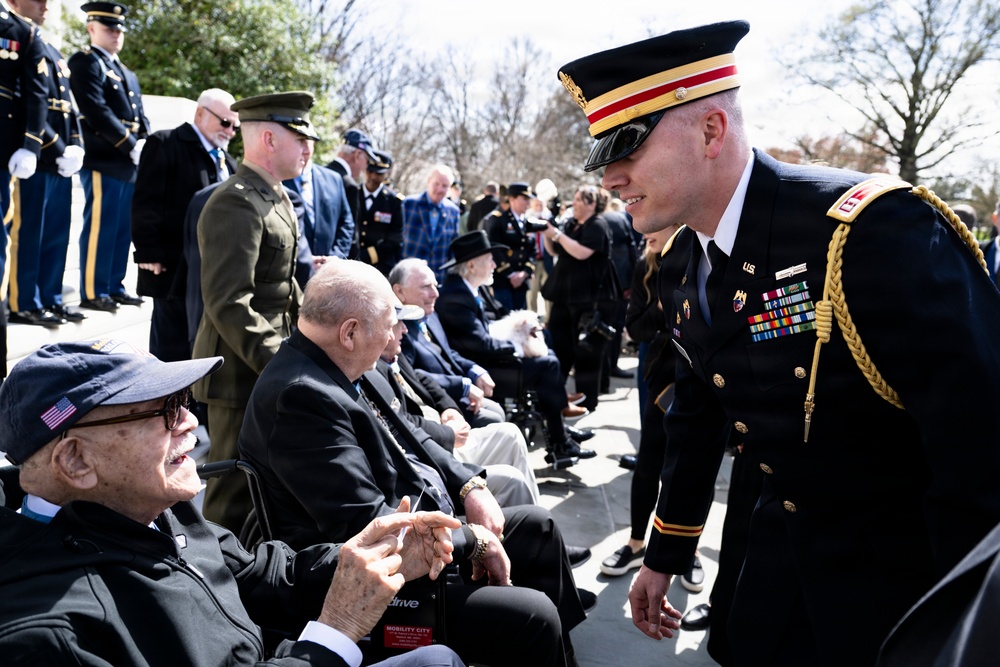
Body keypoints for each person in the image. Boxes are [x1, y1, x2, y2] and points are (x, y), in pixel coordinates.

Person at [558, 20, 1000, 666]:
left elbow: (980, 453)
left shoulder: (872, 230)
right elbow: (698, 416)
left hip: (899, 593)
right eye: (605, 160)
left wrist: (964, 632)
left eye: (628, 150)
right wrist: (665, 552)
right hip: (773, 572)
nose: (612, 178)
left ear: (712, 131)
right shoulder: (681, 265)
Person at [0, 339, 465, 667]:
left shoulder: (154, 508)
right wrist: (335, 631)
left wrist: (368, 558)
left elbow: (262, 576)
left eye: (184, 400)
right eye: (164, 410)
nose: (189, 422)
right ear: (77, 460)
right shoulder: (51, 635)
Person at [238, 259, 591, 667]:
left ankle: (560, 654)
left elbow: (413, 435)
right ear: (350, 332)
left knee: (538, 527)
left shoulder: (339, 363)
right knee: (533, 617)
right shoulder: (301, 397)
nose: (395, 336)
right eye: (389, 325)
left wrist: (470, 486)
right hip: (373, 581)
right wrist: (472, 540)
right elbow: (369, 526)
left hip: (421, 528)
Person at [191, 91, 319, 535]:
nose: (308, 150)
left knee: (266, 487)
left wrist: (313, 337)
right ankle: (216, 571)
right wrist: (283, 363)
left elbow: (283, 286)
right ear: (268, 138)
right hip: (238, 374)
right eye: (300, 139)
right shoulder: (237, 201)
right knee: (232, 492)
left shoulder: (275, 196)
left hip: (268, 365)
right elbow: (229, 301)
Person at [435, 231, 595, 470]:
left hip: (488, 358)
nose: (494, 265)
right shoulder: (455, 295)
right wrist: (518, 346)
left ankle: (560, 425)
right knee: (548, 364)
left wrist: (524, 326)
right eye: (489, 260)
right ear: (471, 265)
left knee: (545, 342)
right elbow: (479, 343)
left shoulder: (472, 286)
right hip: (479, 367)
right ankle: (559, 440)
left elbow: (498, 316)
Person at [376, 304, 540, 506]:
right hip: (432, 451)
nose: (405, 329)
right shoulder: (373, 369)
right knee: (512, 480)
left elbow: (421, 378)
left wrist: (449, 408)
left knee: (511, 433)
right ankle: (531, 520)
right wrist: (449, 433)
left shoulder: (393, 354)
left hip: (442, 434)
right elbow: (401, 424)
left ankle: (536, 517)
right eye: (397, 323)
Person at [131, 88, 238, 361]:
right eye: (225, 122)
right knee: (170, 350)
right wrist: (148, 252)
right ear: (200, 113)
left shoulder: (229, 161)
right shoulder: (165, 143)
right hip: (173, 267)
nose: (230, 131)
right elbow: (146, 201)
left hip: (210, 271)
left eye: (235, 127)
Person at [6, 0, 84, 328]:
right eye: (37, 0)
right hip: (36, 155)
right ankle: (24, 302)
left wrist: (77, 145)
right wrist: (59, 147)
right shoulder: (18, 40)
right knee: (29, 234)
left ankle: (50, 297)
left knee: (55, 234)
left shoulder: (51, 47)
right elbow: (28, 103)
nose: (45, 5)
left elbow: (68, 105)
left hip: (59, 161)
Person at [68, 1, 149, 313]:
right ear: (91, 28)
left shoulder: (125, 72)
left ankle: (114, 285)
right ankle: (94, 289)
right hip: (104, 158)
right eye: (108, 28)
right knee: (101, 227)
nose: (116, 34)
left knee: (122, 229)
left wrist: (146, 144)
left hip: (128, 162)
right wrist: (130, 144)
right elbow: (96, 111)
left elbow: (140, 115)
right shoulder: (86, 62)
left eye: (119, 29)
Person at [389, 257, 505, 428]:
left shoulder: (429, 315)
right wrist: (462, 386)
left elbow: (448, 353)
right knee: (494, 419)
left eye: (435, 286)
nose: (435, 294)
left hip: (456, 394)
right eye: (425, 287)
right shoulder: (398, 331)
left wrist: (474, 370)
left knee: (498, 411)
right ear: (399, 292)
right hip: (436, 404)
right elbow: (411, 376)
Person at [540, 185, 621, 412]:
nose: (573, 203)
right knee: (559, 347)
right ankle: (558, 397)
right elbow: (555, 250)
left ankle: (586, 401)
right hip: (564, 296)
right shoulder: (571, 224)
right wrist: (547, 234)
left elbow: (581, 252)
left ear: (591, 204)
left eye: (578, 200)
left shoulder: (598, 225)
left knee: (587, 352)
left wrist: (556, 234)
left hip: (590, 299)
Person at [283, 144, 356, 289]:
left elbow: (346, 223)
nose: (304, 148)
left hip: (328, 278)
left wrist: (335, 258)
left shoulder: (333, 179)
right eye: (299, 140)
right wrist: (303, 259)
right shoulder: (278, 178)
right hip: (290, 276)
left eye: (308, 141)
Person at [484, 181, 540, 313]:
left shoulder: (527, 222)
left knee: (521, 318)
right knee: (506, 318)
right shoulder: (498, 220)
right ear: (512, 199)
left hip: (522, 281)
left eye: (529, 199)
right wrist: (511, 274)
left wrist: (525, 273)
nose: (528, 203)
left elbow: (533, 251)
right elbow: (495, 249)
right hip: (503, 280)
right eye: (524, 199)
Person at [402, 164, 462, 284]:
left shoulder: (453, 211)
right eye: (436, 184)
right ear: (428, 182)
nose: (440, 189)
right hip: (408, 278)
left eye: (444, 186)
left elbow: (453, 247)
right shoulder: (408, 204)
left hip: (438, 280)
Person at [601, 197, 638, 382]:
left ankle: (604, 368)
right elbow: (631, 250)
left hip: (602, 286)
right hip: (619, 285)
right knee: (615, 325)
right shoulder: (619, 219)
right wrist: (631, 282)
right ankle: (611, 366)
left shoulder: (612, 220)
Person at [358, 148, 404, 276]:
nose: (373, 177)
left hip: (379, 267)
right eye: (370, 171)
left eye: (378, 174)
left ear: (386, 174)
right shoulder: (353, 193)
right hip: (350, 261)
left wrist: (365, 256)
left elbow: (395, 241)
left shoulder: (394, 201)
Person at [327, 127, 377, 236]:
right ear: (357, 155)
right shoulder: (349, 185)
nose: (366, 166)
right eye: (367, 160)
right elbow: (349, 234)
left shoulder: (319, 174)